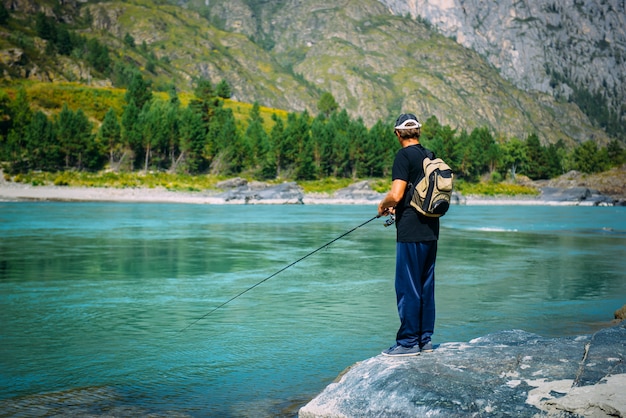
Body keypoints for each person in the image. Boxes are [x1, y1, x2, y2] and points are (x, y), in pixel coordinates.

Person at [377, 113, 440, 357]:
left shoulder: (403, 156)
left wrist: (383, 206)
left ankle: (408, 343)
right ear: (418, 132)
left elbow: (397, 193)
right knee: (425, 286)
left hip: (410, 230)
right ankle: (425, 340)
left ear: (397, 134)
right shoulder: (430, 155)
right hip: (431, 230)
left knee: (408, 287)